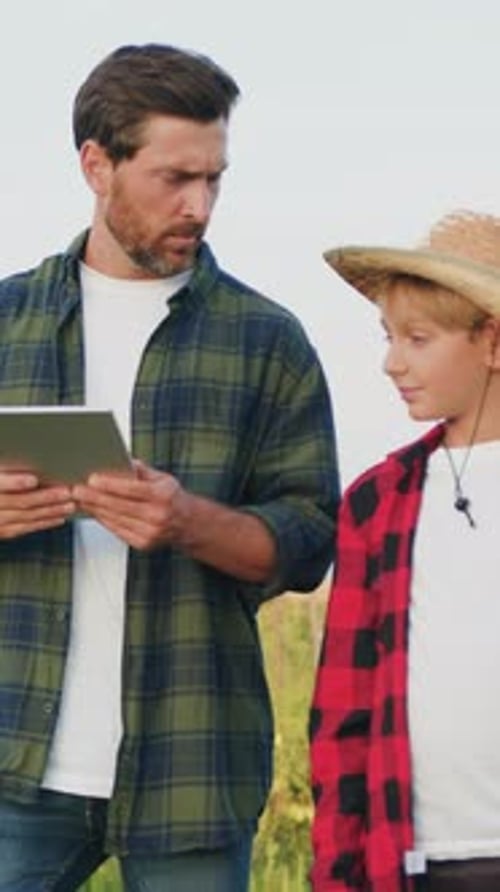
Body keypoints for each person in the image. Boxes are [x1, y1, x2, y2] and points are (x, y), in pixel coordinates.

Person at [0, 44, 339, 892]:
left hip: (192, 770)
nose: (200, 205)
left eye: (215, 178)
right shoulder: (4, 322)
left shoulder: (268, 341)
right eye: (174, 177)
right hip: (12, 766)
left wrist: (190, 522)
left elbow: (308, 545)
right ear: (95, 164)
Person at [309, 210, 500, 892]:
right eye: (389, 337)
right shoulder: (377, 502)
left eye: (418, 339)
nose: (392, 362)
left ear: (492, 342)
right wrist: (336, 873)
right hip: (421, 858)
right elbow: (344, 714)